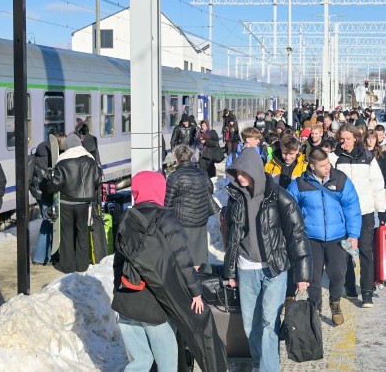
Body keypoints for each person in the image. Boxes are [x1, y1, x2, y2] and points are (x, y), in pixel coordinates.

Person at [113, 170, 226, 372]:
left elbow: (118, 261)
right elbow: (183, 258)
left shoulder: (126, 218)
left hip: (127, 302)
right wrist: (195, 292)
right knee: (167, 364)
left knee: (139, 363)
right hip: (155, 307)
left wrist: (117, 290)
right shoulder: (166, 217)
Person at [223, 148, 312, 372]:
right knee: (250, 325)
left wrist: (302, 274)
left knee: (268, 323)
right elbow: (232, 238)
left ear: (253, 171)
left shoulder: (280, 197)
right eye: (236, 173)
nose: (239, 177)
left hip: (274, 269)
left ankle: (268, 368)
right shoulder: (236, 198)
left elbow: (297, 234)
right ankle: (258, 363)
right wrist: (231, 272)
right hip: (246, 269)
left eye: (242, 173)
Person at [287, 148, 361, 325]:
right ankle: (315, 308)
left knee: (338, 274)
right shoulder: (299, 184)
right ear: (312, 166)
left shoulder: (340, 179)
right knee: (314, 277)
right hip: (311, 238)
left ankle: (335, 302)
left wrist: (353, 234)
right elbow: (289, 209)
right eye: (322, 165)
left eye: (328, 163)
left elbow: (352, 207)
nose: (327, 168)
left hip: (337, 237)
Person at [329, 125, 386, 307]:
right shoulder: (334, 158)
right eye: (341, 139)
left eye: (347, 139)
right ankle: (350, 286)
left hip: (364, 212)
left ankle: (367, 292)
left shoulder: (368, 158)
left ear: (355, 138)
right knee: (346, 251)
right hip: (342, 214)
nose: (343, 142)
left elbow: (377, 184)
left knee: (366, 251)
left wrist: (381, 209)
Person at [46, 133, 102, 273]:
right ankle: (82, 265)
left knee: (67, 235)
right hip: (84, 204)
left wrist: (49, 181)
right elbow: (97, 180)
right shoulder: (90, 160)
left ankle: (67, 266)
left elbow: (56, 184)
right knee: (82, 234)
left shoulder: (63, 161)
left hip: (67, 203)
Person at [164, 145, 216, 267]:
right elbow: (210, 190)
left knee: (183, 257)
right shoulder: (202, 173)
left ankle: (186, 283)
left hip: (182, 222)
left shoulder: (175, 176)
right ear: (190, 157)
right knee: (199, 256)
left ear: (177, 158)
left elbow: (168, 202)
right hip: (201, 220)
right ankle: (200, 280)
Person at [30, 132, 66, 265]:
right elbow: (46, 177)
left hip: (40, 193)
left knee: (50, 221)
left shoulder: (42, 151)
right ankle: (40, 257)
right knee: (48, 221)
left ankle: (49, 254)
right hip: (45, 194)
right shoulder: (48, 156)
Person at [364, 129, 386, 204]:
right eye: (369, 138)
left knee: (380, 210)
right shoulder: (361, 152)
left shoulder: (381, 153)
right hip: (365, 186)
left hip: (379, 186)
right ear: (365, 139)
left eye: (373, 138)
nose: (371, 141)